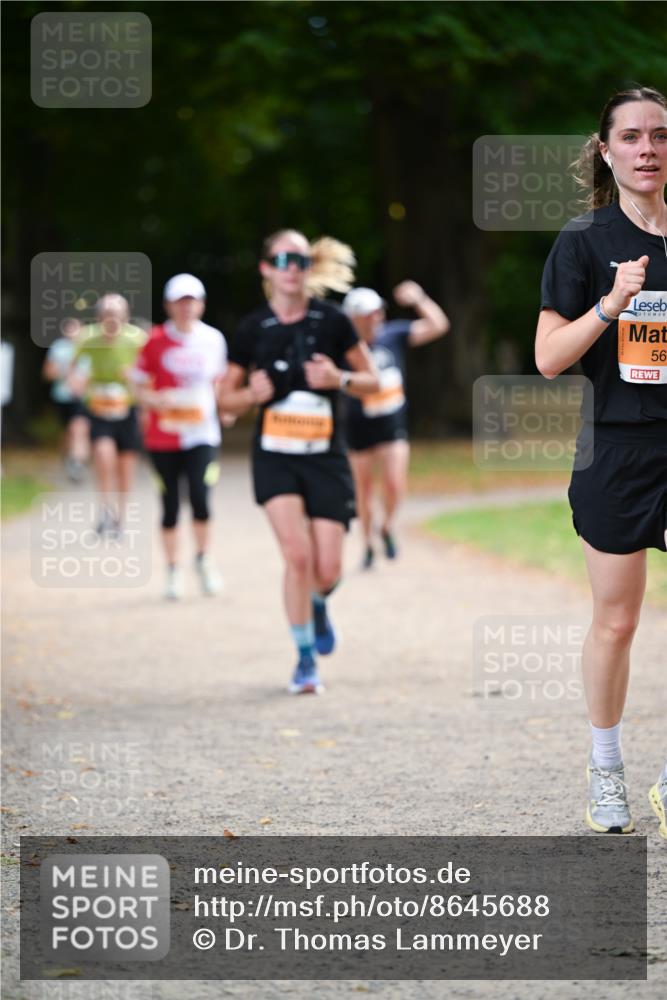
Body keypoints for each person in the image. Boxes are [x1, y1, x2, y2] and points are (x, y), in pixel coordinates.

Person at [535, 86, 667, 837]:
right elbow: (548, 357)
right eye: (631, 137)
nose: (646, 148)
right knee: (616, 622)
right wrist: (610, 304)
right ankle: (605, 769)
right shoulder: (583, 241)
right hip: (616, 448)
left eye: (657, 136)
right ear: (606, 148)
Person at [217, 229, 380, 694]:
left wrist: (339, 377)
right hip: (275, 457)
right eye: (284, 259)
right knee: (297, 554)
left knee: (327, 569)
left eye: (302, 259)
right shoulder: (251, 329)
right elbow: (223, 403)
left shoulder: (332, 322)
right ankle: (305, 658)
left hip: (325, 456)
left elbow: (373, 381)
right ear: (266, 268)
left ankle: (319, 603)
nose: (293, 267)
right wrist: (252, 394)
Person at [133, 274, 228, 600]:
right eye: (179, 301)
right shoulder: (155, 341)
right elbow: (139, 387)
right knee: (170, 504)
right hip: (164, 436)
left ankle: (204, 560)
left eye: (192, 301)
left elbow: (219, 383)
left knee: (201, 498)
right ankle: (173, 571)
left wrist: (225, 408)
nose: (186, 307)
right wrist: (154, 400)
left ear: (201, 304)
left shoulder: (214, 339)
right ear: (168, 305)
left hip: (202, 434)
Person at [342, 282, 450, 567]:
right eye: (368, 313)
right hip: (358, 427)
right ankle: (366, 544)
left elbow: (438, 325)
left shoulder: (393, 334)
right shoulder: (345, 347)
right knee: (363, 491)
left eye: (378, 311)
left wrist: (420, 299)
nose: (376, 317)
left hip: (392, 425)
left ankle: (387, 526)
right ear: (353, 318)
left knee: (394, 483)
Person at [73, 294, 146, 535]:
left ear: (125, 316)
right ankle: (105, 510)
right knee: (104, 457)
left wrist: (133, 377)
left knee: (125, 466)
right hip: (99, 407)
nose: (112, 319)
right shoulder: (87, 338)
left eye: (116, 314)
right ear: (98, 317)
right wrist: (78, 382)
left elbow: (149, 373)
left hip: (127, 408)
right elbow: (75, 368)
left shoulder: (137, 339)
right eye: (107, 314)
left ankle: (121, 519)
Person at [42, 318, 90, 481]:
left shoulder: (89, 347)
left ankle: (77, 462)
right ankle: (69, 457)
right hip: (63, 397)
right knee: (69, 431)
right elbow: (48, 373)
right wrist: (66, 374)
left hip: (83, 397)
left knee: (79, 428)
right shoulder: (58, 348)